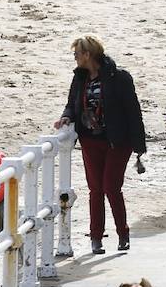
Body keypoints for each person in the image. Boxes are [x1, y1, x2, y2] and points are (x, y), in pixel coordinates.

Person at [54, 35, 146, 255]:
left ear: (87, 55)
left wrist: (139, 145)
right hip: (90, 140)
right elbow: (71, 104)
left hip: (117, 141)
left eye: (77, 54)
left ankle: (122, 233)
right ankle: (96, 237)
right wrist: (66, 117)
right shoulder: (79, 78)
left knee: (111, 188)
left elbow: (133, 111)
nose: (75, 58)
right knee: (95, 190)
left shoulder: (119, 77)